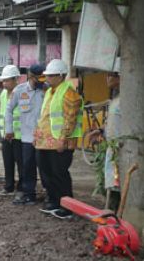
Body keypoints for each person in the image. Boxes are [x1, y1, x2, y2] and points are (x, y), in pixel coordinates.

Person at [35, 59, 83, 219]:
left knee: (59, 173)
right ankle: (54, 201)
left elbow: (70, 118)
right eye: (47, 75)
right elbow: (45, 116)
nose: (47, 78)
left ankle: (67, 207)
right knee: (46, 172)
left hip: (60, 142)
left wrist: (63, 138)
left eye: (51, 75)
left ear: (61, 76)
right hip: (45, 142)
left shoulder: (69, 93)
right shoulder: (50, 92)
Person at [6, 64, 46, 205]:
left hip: (43, 138)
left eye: (43, 77)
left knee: (44, 167)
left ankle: (49, 194)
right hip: (27, 137)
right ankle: (29, 194)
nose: (41, 81)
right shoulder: (19, 90)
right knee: (28, 166)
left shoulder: (46, 90)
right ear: (30, 76)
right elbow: (9, 109)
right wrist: (9, 129)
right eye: (38, 78)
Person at [86, 61, 121, 210]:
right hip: (113, 149)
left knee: (119, 183)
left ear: (120, 77)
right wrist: (101, 131)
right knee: (112, 184)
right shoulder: (116, 100)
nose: (107, 78)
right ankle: (111, 212)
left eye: (110, 75)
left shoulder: (129, 100)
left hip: (122, 150)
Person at [0, 64, 23, 199]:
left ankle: (22, 188)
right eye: (3, 80)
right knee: (8, 162)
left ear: (15, 79)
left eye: (7, 80)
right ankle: (9, 186)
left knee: (21, 162)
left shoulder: (21, 92)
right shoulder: (2, 94)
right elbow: (2, 114)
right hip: (5, 136)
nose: (4, 83)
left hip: (18, 135)